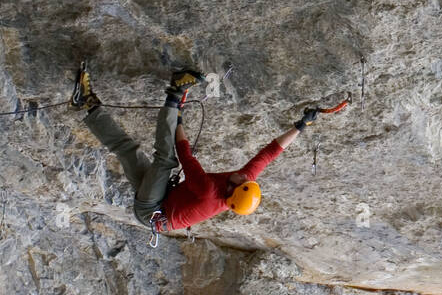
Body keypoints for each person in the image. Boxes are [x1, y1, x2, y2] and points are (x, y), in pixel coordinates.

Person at [72, 65, 318, 234]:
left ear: (232, 190)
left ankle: (175, 89)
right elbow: (269, 154)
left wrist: (176, 110)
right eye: (247, 179)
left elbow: (183, 152)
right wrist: (301, 126)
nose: (245, 175)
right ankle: (87, 104)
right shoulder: (243, 185)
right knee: (128, 150)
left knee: (166, 160)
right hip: (162, 202)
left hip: (152, 212)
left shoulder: (209, 191)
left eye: (242, 180)